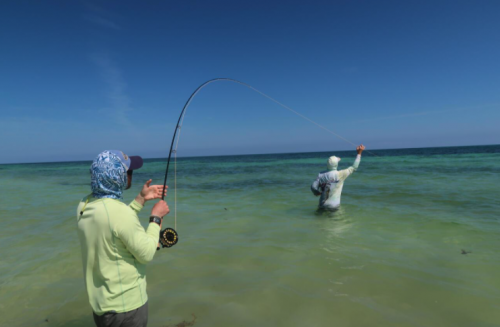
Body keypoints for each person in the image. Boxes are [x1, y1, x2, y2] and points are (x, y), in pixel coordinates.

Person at [76, 150, 169, 327]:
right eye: (129, 172)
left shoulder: (84, 204)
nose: (131, 176)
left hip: (100, 306)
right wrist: (155, 218)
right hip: (127, 309)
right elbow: (147, 253)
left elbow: (112, 224)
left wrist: (140, 199)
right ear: (117, 177)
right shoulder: (120, 214)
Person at [311, 145, 365, 210]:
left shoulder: (321, 174)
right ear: (336, 164)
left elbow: (313, 187)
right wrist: (359, 153)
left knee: (320, 220)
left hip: (321, 205)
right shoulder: (340, 174)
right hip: (334, 206)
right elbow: (354, 167)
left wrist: (317, 193)